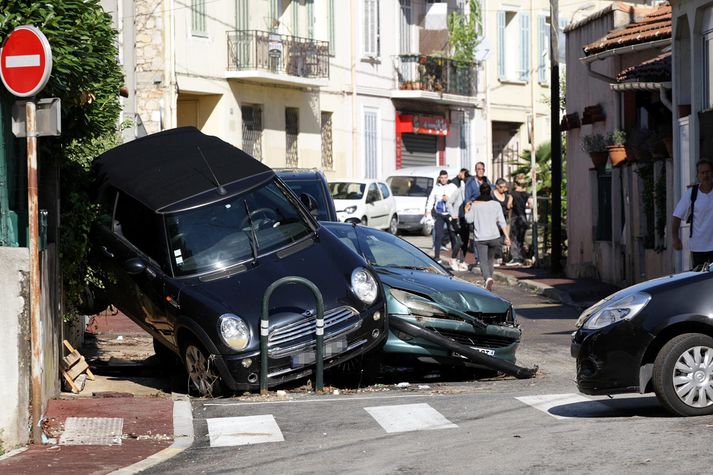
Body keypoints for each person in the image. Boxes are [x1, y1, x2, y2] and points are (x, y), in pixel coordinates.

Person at [464, 183, 510, 291]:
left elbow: (469, 220)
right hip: (495, 237)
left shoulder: (475, 204)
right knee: (490, 260)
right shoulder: (496, 204)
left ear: (480, 191)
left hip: (481, 238)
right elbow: (502, 222)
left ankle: (487, 279)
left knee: (483, 261)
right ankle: (489, 281)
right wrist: (507, 236)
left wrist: (466, 210)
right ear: (490, 192)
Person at [672, 159, 713, 269]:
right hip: (698, 246)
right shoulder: (692, 193)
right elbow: (676, 216)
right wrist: (675, 238)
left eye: (708, 172)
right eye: (702, 173)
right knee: (699, 278)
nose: (706, 175)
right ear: (698, 175)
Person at [425, 170, 457, 262]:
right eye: (442, 178)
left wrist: (449, 199)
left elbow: (457, 199)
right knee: (438, 235)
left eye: (445, 178)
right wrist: (428, 211)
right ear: (439, 178)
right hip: (439, 214)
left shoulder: (452, 187)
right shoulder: (436, 188)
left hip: (450, 214)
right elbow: (431, 199)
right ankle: (437, 256)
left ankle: (454, 257)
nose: (443, 180)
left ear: (447, 178)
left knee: (452, 235)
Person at [507, 175, 532, 266]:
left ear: (515, 183)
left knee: (514, 238)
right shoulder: (526, 194)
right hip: (523, 217)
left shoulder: (512, 194)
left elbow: (509, 205)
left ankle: (515, 257)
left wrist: (512, 206)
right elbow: (530, 205)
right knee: (521, 238)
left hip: (515, 217)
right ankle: (520, 256)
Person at [450, 168, 471, 270]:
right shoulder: (460, 190)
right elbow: (449, 202)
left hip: (467, 219)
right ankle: (453, 259)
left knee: (465, 241)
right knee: (459, 242)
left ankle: (462, 261)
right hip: (457, 219)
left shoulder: (472, 195)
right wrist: (453, 214)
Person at [492, 178, 513, 265]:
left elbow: (510, 202)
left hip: (503, 219)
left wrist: (510, 202)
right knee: (495, 239)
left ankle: (500, 257)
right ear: (497, 186)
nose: (503, 189)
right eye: (501, 187)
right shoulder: (492, 194)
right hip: (494, 219)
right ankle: (496, 256)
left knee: (502, 238)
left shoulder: (506, 195)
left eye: (505, 187)